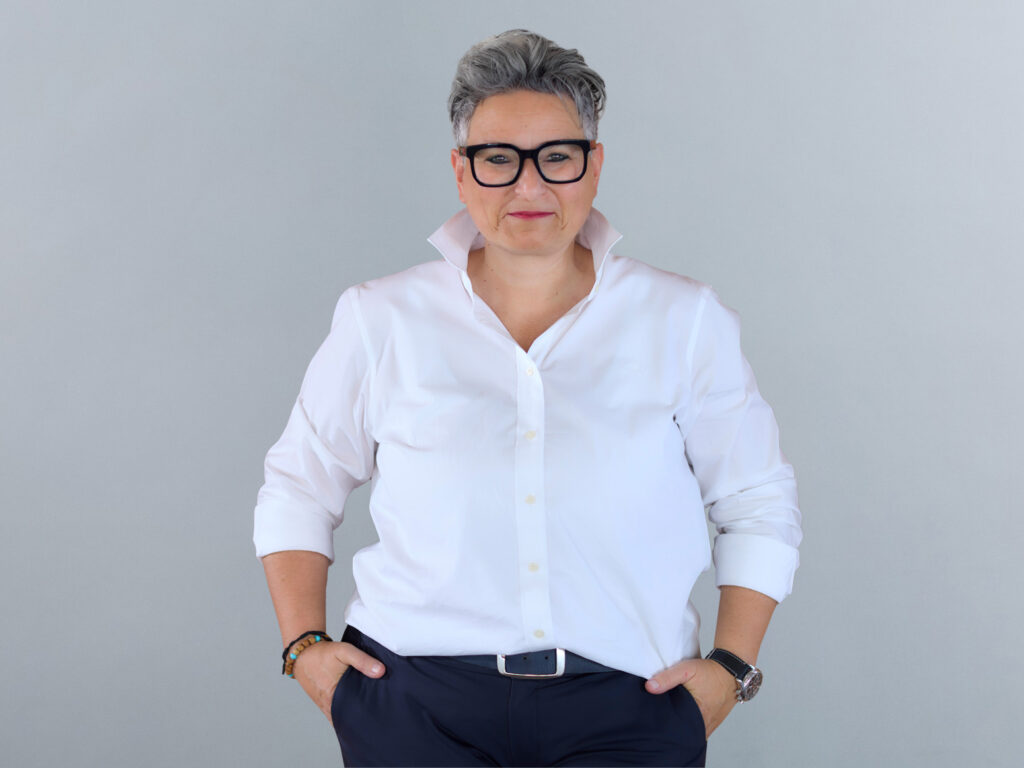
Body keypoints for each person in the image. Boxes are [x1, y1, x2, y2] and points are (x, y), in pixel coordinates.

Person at [254, 29, 801, 767]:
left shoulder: (683, 320)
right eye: (498, 159)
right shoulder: (382, 319)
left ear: (594, 165)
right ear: (461, 172)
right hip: (415, 703)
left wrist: (731, 669)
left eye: (557, 157)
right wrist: (304, 648)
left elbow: (757, 501)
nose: (530, 186)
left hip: (629, 702)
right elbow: (298, 485)